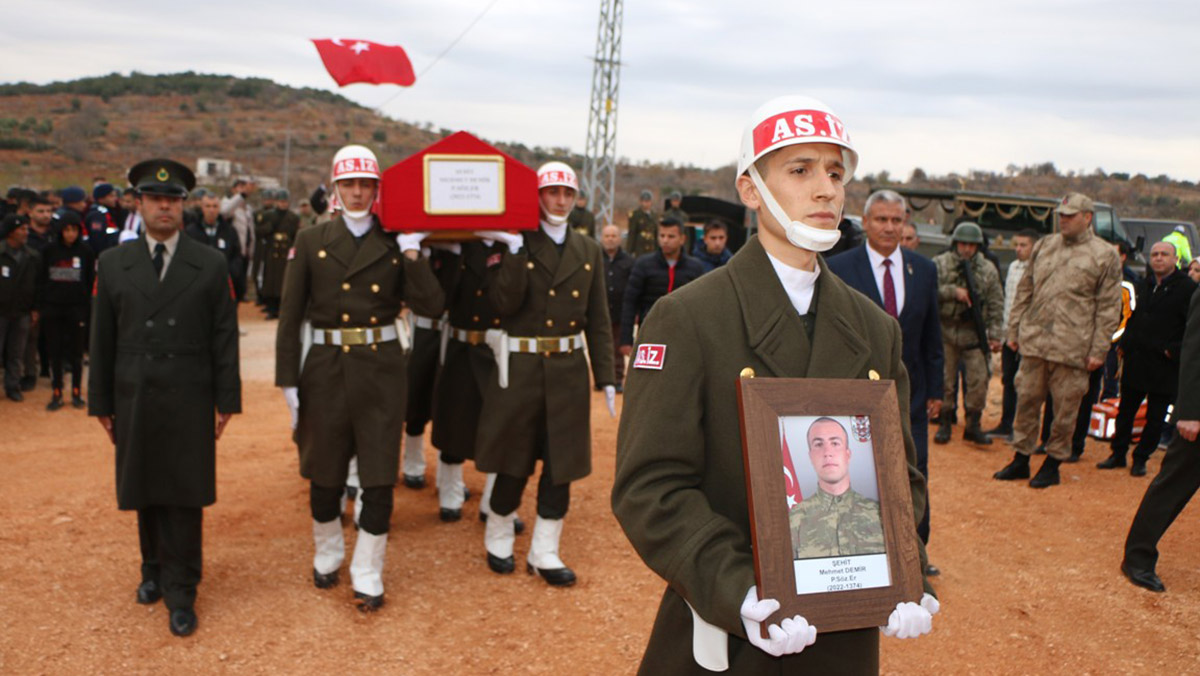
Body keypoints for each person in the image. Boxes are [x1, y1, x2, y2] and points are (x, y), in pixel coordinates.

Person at [612, 95, 936, 673]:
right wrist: (739, 591)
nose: (826, 190)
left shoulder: (874, 329)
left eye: (836, 172)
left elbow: (898, 475)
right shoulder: (687, 318)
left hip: (844, 636)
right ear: (750, 189)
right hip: (732, 631)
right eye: (800, 169)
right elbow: (651, 487)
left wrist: (902, 568)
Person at [275, 144, 445, 612]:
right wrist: (288, 381)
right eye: (349, 183)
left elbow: (432, 306)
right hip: (326, 369)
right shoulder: (311, 241)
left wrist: (413, 254)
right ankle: (328, 550)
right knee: (324, 473)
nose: (357, 192)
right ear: (336, 186)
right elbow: (290, 317)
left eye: (366, 184)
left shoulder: (394, 241)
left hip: (381, 369)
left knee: (375, 476)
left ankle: (367, 568)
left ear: (377, 189)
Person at [88, 158, 241, 637]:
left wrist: (226, 399)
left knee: (182, 491)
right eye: (155, 199)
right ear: (139, 203)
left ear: (183, 206)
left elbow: (224, 335)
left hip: (189, 391)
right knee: (144, 485)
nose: (164, 208)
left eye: (173, 200)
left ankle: (182, 588)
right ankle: (151, 568)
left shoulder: (210, 263)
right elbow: (102, 338)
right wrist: (101, 403)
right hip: (134, 389)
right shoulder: (114, 263)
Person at [475, 161, 615, 587]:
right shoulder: (516, 241)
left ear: (575, 199)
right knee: (513, 458)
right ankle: (499, 531)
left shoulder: (588, 250)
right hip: (521, 367)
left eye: (567, 194)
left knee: (561, 464)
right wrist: (514, 252)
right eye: (552, 192)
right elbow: (505, 303)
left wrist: (607, 375)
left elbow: (598, 318)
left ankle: (545, 550)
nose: (559, 200)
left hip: (568, 370)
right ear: (537, 195)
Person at [827, 188, 942, 565]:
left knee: (914, 472)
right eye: (881, 219)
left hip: (911, 396)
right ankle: (859, 551)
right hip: (856, 397)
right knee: (859, 474)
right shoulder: (838, 268)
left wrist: (937, 390)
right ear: (866, 221)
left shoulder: (924, 270)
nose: (890, 227)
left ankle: (915, 554)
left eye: (897, 220)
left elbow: (931, 336)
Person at [995, 193, 1122, 488]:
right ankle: (1021, 459)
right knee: (1025, 401)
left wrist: (1099, 349)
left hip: (1073, 348)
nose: (1062, 220)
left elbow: (1108, 308)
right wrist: (1014, 330)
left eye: (1070, 215)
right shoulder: (1045, 246)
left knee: (1065, 411)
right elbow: (1025, 290)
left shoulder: (1104, 255)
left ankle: (1053, 463)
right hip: (1036, 342)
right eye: (1061, 215)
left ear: (1087, 217)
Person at [1120, 284, 1200, 592]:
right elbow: (1194, 350)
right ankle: (1137, 556)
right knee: (1173, 485)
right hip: (1197, 415)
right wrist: (1190, 411)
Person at [1096, 242, 1196, 475]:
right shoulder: (1143, 284)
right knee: (1125, 411)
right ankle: (1117, 454)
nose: (1159, 258)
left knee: (1155, 416)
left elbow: (1192, 327)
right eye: (1154, 254)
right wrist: (1124, 343)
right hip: (1136, 361)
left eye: (1164, 254)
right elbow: (1131, 316)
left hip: (1165, 365)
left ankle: (1141, 459)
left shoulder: (1188, 289)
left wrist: (1174, 350)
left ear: (1175, 259)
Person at [932, 222, 1003, 445]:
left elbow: (996, 302)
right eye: (963, 244)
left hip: (974, 335)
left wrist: (995, 334)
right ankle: (944, 422)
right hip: (946, 331)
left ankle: (973, 424)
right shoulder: (940, 264)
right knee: (945, 381)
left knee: (979, 381)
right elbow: (928, 292)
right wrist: (953, 292)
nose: (967, 249)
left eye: (972, 245)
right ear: (955, 243)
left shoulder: (988, 269)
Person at [789, 418, 884, 559]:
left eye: (835, 443)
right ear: (810, 457)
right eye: (818, 444)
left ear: (848, 454)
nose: (827, 452)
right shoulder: (794, 520)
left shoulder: (879, 513)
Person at [619, 218, 705, 354]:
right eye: (662, 236)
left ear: (682, 239)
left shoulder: (695, 268)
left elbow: (701, 306)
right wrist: (626, 340)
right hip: (650, 333)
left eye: (671, 236)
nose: (665, 240)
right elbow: (630, 302)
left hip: (683, 336)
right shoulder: (643, 264)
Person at [38, 210, 94, 410]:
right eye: (67, 230)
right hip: (52, 309)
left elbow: (88, 279)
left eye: (74, 230)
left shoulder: (86, 251)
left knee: (77, 354)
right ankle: (57, 391)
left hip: (76, 309)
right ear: (60, 231)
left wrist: (83, 302)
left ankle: (77, 392)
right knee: (55, 352)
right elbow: (41, 278)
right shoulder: (48, 251)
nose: (71, 234)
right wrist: (43, 304)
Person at [987, 229, 1038, 439]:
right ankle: (1006, 424)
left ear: (1034, 246)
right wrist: (1003, 334)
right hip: (1010, 336)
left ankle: (1023, 429)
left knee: (1027, 384)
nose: (1018, 249)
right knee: (1008, 380)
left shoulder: (1039, 270)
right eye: (1016, 244)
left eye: (1023, 245)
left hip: (1029, 337)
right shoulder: (1013, 267)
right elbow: (1007, 303)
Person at [0, 214, 41, 401]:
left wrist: (35, 309)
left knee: (17, 352)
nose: (26, 232)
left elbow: (37, 285)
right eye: (22, 229)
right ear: (11, 232)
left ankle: (12, 386)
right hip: (1, 312)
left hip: (22, 311)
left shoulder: (32, 256)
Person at [184, 192, 244, 288]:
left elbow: (236, 256)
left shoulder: (229, 231)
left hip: (223, 283)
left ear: (219, 208)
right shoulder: (191, 231)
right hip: (197, 285)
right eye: (208, 206)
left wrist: (230, 273)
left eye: (215, 206)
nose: (211, 210)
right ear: (202, 208)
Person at [601, 223, 634, 391]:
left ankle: (618, 379)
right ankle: (603, 379)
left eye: (613, 236)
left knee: (618, 346)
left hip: (621, 311)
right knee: (602, 346)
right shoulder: (595, 258)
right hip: (600, 311)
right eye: (607, 236)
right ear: (602, 238)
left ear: (619, 239)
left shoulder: (629, 261)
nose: (610, 239)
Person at [259, 189, 299, 319]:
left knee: (283, 281)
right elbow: (259, 231)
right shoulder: (269, 215)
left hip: (286, 251)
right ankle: (271, 308)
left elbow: (295, 235)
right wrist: (268, 228)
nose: (283, 204)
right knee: (271, 280)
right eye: (281, 201)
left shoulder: (293, 217)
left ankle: (282, 309)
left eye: (285, 201)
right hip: (272, 250)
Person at [220, 179, 256, 301]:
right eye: (240, 187)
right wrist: (241, 196)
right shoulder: (227, 202)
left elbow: (250, 230)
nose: (243, 190)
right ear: (233, 189)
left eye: (244, 187)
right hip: (233, 250)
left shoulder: (248, 208)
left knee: (242, 282)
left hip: (245, 249)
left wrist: (251, 249)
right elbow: (224, 212)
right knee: (233, 280)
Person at [85, 183, 122, 257]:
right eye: (111, 196)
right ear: (101, 199)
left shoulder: (109, 212)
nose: (115, 199)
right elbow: (97, 240)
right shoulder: (97, 215)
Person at [626, 189, 659, 257]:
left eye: (648, 201)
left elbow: (656, 233)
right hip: (640, 248)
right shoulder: (635, 215)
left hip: (652, 248)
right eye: (644, 201)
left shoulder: (654, 215)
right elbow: (632, 234)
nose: (646, 203)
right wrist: (629, 251)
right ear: (641, 202)